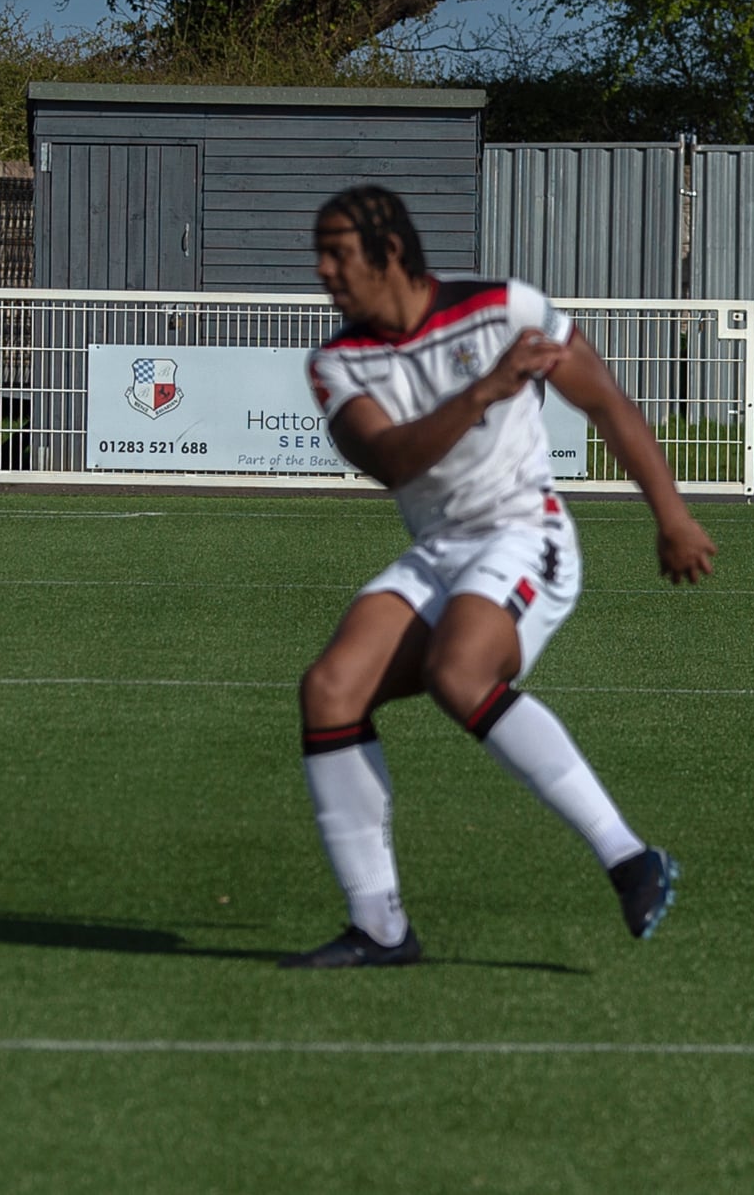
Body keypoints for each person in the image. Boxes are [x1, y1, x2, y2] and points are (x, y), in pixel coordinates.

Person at [282, 185, 717, 969]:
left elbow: (607, 404)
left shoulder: (506, 308)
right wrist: (484, 389)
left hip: (526, 534)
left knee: (459, 672)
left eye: (338, 253)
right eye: (321, 255)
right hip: (439, 550)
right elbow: (392, 461)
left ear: (389, 252)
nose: (323, 270)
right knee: (330, 690)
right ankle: (379, 928)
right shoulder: (336, 363)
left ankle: (629, 859)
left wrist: (673, 517)